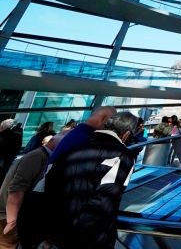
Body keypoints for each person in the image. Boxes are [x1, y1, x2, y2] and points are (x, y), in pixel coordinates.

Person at [43, 112, 138, 249]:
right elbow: (106, 197)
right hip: (89, 235)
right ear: (126, 134)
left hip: (59, 228)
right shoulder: (123, 154)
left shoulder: (76, 145)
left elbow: (51, 181)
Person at [0, 132, 59, 249]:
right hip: (7, 217)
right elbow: (16, 189)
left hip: (9, 216)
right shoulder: (37, 157)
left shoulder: (41, 156)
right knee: (6, 244)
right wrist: (12, 221)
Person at [50, 106, 118, 165]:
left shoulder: (77, 132)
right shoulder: (88, 139)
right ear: (103, 118)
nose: (111, 127)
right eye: (110, 122)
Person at [0, 121, 21, 186]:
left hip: (2, 157)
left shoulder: (2, 134)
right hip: (10, 157)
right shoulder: (17, 135)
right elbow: (18, 147)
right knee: (4, 172)